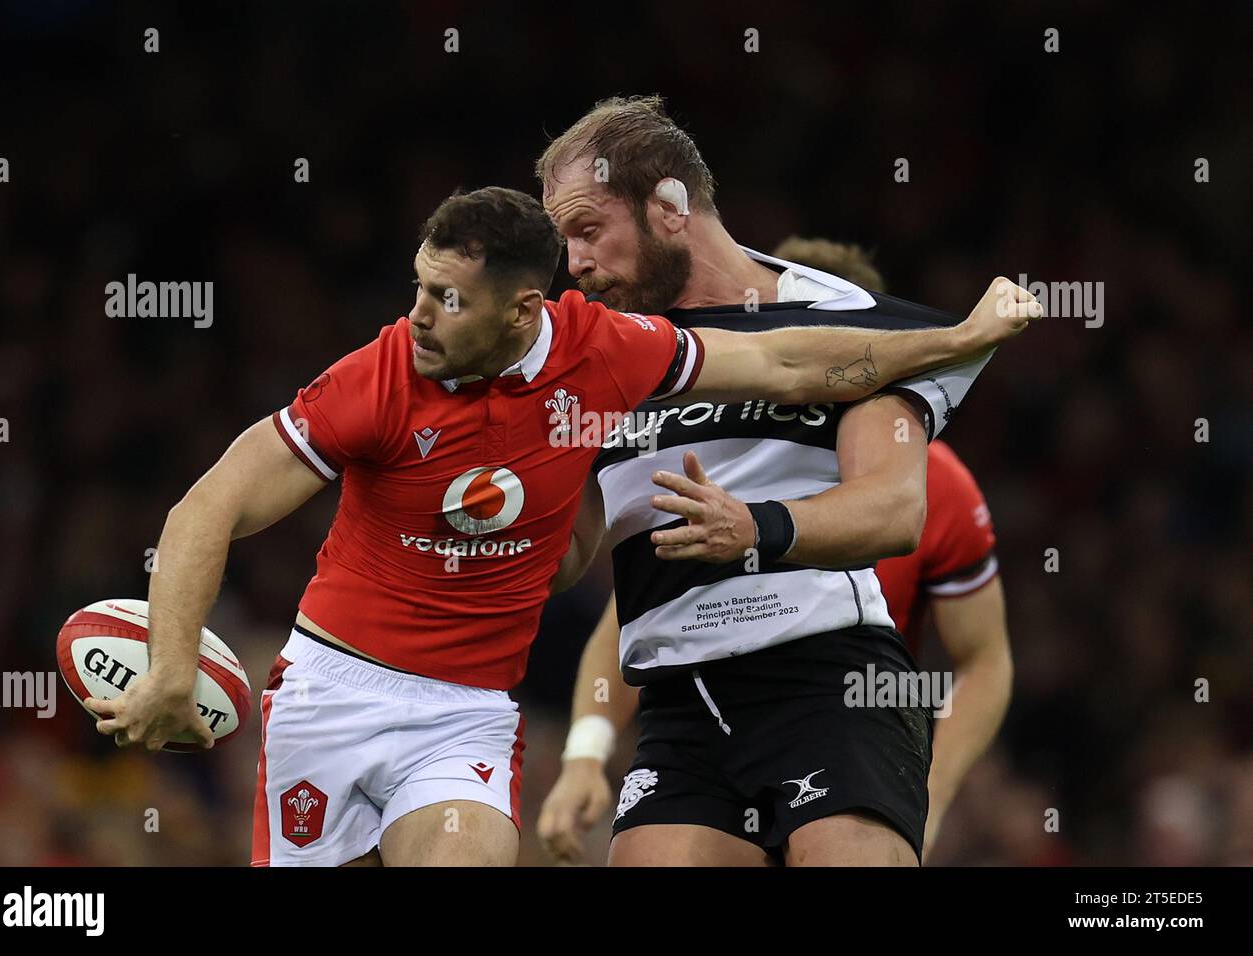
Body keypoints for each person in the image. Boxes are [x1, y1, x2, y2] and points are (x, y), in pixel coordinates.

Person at [84, 185, 1032, 867]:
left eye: (445, 298)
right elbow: (206, 506)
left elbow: (788, 360)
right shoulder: (375, 379)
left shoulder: (606, 352)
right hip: (333, 689)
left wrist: (953, 340)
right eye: (418, 286)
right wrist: (171, 668)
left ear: (521, 312)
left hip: (464, 715)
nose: (415, 315)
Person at [538, 96, 1037, 866]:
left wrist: (760, 528)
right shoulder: (599, 358)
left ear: (669, 205)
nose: (573, 263)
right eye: (563, 240)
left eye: (588, 230)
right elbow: (577, 563)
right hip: (678, 704)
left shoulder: (851, 324)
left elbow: (895, 511)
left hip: (825, 683)